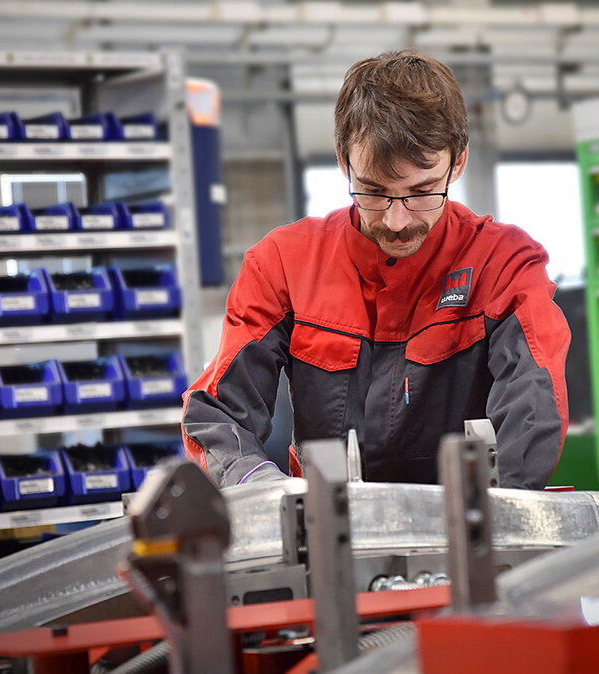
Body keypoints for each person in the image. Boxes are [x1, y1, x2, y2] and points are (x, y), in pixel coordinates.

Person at [182, 49, 570, 490]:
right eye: (373, 191)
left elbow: (534, 408)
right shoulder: (283, 264)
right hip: (326, 537)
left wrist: (491, 520)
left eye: (422, 192)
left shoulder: (504, 265)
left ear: (457, 161)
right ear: (344, 161)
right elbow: (215, 415)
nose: (397, 221)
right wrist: (262, 493)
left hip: (465, 535)